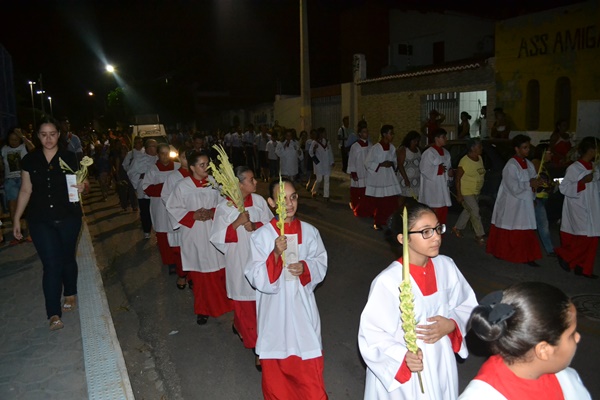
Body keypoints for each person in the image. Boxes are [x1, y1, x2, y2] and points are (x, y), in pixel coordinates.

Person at [358, 202, 477, 399]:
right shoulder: (388, 281)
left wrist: (452, 325)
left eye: (438, 228)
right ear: (403, 238)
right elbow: (372, 335)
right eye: (426, 232)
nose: (436, 237)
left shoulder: (446, 266)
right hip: (409, 370)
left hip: (440, 361)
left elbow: (467, 305)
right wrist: (402, 357)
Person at [245, 178, 328, 399]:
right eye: (282, 199)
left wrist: (305, 268)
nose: (289, 204)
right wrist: (274, 254)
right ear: (271, 203)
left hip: (302, 310)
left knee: (310, 376)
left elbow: (320, 261)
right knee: (277, 380)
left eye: (293, 197)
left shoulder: (310, 232)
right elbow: (254, 275)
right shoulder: (262, 236)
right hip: (274, 312)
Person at [12, 116, 88, 331]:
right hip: (40, 219)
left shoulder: (70, 157)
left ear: (59, 134)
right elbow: (26, 190)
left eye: (52, 134)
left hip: (68, 216)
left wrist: (83, 186)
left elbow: (83, 182)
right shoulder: (30, 160)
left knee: (67, 258)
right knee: (51, 264)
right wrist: (17, 218)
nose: (48, 138)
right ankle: (53, 313)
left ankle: (70, 292)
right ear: (37, 136)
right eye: (44, 134)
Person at [459, 282, 590, 399]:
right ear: (543, 350)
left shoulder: (566, 378)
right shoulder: (482, 395)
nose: (578, 337)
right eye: (571, 334)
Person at [210, 166, 273, 367]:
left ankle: (242, 327)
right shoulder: (225, 208)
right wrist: (236, 223)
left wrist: (255, 226)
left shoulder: (259, 201)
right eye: (251, 179)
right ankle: (258, 350)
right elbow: (216, 238)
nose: (255, 182)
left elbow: (273, 226)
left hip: (260, 260)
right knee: (246, 306)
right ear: (238, 184)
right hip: (239, 262)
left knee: (261, 306)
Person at [166, 150, 232, 324]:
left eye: (207, 164)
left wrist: (212, 212)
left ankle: (224, 304)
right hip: (194, 234)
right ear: (193, 167)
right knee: (200, 275)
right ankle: (203, 309)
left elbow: (226, 205)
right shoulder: (182, 186)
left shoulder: (214, 183)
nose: (206, 167)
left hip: (213, 231)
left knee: (220, 269)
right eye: (202, 165)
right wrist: (192, 215)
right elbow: (172, 207)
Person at [486, 135, 542, 266]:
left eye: (528, 147)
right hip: (512, 203)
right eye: (524, 147)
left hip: (525, 202)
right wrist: (529, 184)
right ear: (517, 149)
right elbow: (513, 187)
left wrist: (536, 186)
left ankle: (528, 256)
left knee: (526, 229)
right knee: (509, 228)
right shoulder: (511, 165)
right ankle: (502, 252)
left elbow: (533, 178)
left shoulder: (529, 164)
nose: (528, 150)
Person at [555, 137, 599, 279]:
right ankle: (565, 255)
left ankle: (583, 268)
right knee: (584, 238)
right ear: (591, 150)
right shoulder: (574, 168)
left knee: (593, 237)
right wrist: (582, 182)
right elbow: (564, 187)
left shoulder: (594, 166)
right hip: (579, 206)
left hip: (592, 205)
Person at [143, 143, 180, 274]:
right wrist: (167, 187)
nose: (165, 156)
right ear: (158, 155)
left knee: (177, 233)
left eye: (167, 153)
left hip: (176, 205)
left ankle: (179, 260)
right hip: (160, 207)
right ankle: (169, 261)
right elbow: (147, 188)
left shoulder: (178, 167)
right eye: (162, 153)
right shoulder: (153, 170)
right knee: (163, 234)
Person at [161, 148, 191, 289]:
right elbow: (166, 196)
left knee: (194, 249)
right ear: (179, 158)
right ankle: (182, 275)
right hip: (179, 218)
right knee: (180, 250)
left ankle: (193, 276)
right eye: (184, 157)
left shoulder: (199, 176)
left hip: (196, 219)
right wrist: (181, 210)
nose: (187, 160)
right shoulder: (173, 177)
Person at [365, 125, 401, 230]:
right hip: (379, 177)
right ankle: (378, 222)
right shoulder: (375, 148)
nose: (392, 135)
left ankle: (390, 221)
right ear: (384, 134)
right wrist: (380, 164)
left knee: (390, 201)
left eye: (393, 133)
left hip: (389, 177)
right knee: (380, 202)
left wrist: (392, 163)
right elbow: (367, 163)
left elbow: (394, 161)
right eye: (391, 133)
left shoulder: (392, 147)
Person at [1, 128, 34, 244]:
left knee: (29, 207)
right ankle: (17, 235)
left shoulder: (24, 147)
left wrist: (23, 136)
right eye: (11, 139)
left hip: (24, 179)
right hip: (10, 181)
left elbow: (33, 149)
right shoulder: (4, 149)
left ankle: (30, 233)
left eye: (16, 139)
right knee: (13, 208)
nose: (13, 142)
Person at [452, 138, 486, 245]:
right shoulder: (465, 161)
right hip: (466, 192)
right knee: (475, 211)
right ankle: (479, 235)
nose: (481, 148)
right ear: (472, 148)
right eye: (479, 146)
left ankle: (457, 228)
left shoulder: (480, 158)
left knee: (468, 210)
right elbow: (457, 178)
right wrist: (459, 194)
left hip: (476, 191)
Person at [419, 129, 453, 225]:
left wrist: (450, 172)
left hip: (443, 186)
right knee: (434, 211)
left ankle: (441, 230)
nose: (446, 139)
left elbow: (448, 167)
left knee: (443, 210)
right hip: (433, 187)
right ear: (436, 138)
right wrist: (438, 169)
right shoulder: (429, 153)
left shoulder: (446, 153)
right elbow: (424, 169)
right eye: (443, 137)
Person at [127, 139, 158, 239]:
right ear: (147, 148)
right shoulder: (138, 159)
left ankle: (158, 232)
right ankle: (146, 230)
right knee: (145, 212)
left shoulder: (159, 158)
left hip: (157, 191)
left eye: (155, 146)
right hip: (143, 191)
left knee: (157, 212)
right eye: (152, 146)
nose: (154, 148)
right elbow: (131, 172)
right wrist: (140, 176)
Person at [531, 144, 556, 256]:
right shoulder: (536, 163)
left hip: (542, 198)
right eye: (549, 152)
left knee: (539, 224)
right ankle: (550, 250)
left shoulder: (543, 165)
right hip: (537, 198)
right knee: (543, 224)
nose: (551, 155)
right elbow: (532, 180)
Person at [347, 122, 372, 217]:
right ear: (360, 134)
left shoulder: (370, 145)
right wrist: (353, 172)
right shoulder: (355, 146)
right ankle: (358, 209)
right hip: (359, 172)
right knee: (358, 192)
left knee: (367, 193)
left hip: (368, 173)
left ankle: (367, 210)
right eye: (364, 132)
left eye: (367, 132)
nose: (366, 133)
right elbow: (351, 160)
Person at [396, 130, 421, 211]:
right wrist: (406, 178)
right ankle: (399, 212)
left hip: (416, 179)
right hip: (405, 177)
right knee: (403, 196)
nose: (416, 143)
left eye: (417, 141)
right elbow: (400, 164)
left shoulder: (418, 149)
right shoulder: (403, 149)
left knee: (415, 196)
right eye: (414, 141)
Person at [309, 127, 334, 201]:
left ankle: (326, 195)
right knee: (319, 179)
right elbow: (310, 152)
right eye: (324, 133)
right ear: (320, 134)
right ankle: (314, 190)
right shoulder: (315, 142)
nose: (325, 134)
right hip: (319, 164)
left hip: (326, 164)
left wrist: (332, 161)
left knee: (327, 179)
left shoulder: (327, 142)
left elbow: (330, 152)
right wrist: (316, 160)